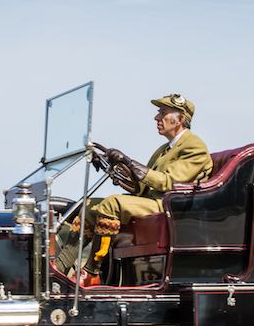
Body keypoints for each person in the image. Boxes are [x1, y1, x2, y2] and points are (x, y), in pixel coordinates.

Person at [55, 93, 213, 283]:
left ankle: (91, 272)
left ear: (180, 118)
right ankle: (60, 268)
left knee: (111, 203)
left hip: (171, 207)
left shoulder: (194, 146)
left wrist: (129, 161)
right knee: (89, 206)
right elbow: (141, 188)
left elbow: (169, 182)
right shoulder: (164, 149)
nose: (157, 118)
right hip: (153, 202)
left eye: (163, 113)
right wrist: (113, 166)